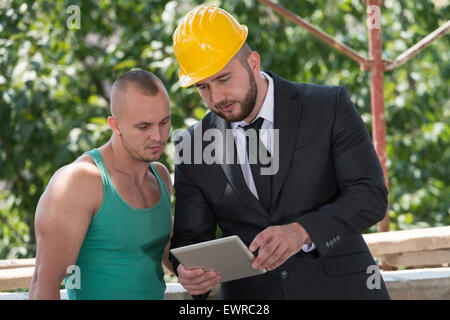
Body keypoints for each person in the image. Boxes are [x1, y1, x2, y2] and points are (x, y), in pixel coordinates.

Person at [170, 5, 390, 299]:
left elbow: (371, 195)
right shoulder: (192, 145)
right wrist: (190, 273)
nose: (216, 97)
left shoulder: (327, 107)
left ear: (253, 63)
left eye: (223, 79)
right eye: (203, 87)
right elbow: (191, 240)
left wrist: (302, 231)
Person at [29, 70, 173, 300]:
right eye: (144, 127)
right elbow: (43, 286)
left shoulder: (160, 176)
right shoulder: (79, 181)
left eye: (164, 122)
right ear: (115, 125)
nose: (157, 136)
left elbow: (162, 253)